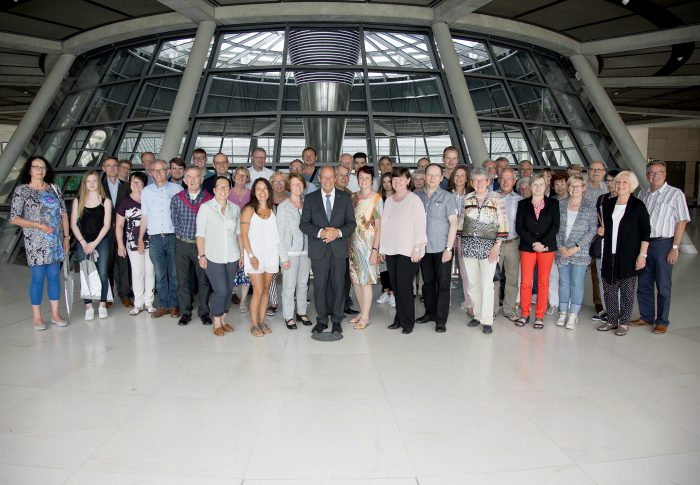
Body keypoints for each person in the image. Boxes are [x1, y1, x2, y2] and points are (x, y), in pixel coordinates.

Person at [10, 156, 70, 330]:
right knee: (37, 278)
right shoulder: (22, 191)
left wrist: (66, 237)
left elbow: (63, 214)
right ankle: (36, 317)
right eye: (36, 167)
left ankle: (55, 314)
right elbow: (14, 218)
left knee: (53, 277)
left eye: (43, 167)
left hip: (55, 241)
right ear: (29, 170)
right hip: (35, 242)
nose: (40, 170)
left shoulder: (54, 189)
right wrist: (38, 226)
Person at [633, 161, 691, 334]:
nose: (655, 176)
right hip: (644, 244)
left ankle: (662, 321)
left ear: (665, 175)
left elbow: (682, 221)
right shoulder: (643, 194)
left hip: (664, 243)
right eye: (651, 173)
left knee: (663, 284)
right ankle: (646, 316)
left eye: (659, 173)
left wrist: (675, 247)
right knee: (643, 282)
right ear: (646, 175)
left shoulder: (675, 194)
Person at [300, 166, 357, 334]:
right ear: (319, 179)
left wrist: (337, 233)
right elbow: (304, 224)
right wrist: (322, 232)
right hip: (319, 250)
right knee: (320, 286)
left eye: (330, 177)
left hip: (339, 249)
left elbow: (351, 224)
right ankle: (322, 320)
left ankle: (337, 320)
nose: (327, 181)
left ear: (335, 178)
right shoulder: (310, 199)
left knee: (339, 285)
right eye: (324, 177)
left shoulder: (345, 198)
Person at [597, 171, 650, 336]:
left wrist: (642, 255)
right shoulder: (608, 204)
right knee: (609, 288)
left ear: (632, 186)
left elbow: (645, 232)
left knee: (627, 291)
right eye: (618, 182)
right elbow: (607, 227)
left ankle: (624, 322)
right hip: (609, 253)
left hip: (629, 254)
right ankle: (612, 320)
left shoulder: (638, 205)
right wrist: (602, 231)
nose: (620, 185)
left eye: (624, 182)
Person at [459, 168, 508, 334]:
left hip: (489, 248)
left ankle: (487, 320)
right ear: (471, 182)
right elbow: (461, 222)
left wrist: (497, 245)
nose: (479, 183)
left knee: (487, 284)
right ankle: (478, 315)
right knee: (473, 284)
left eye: (482, 180)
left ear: (488, 182)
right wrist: (460, 243)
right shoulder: (467, 198)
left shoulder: (497, 199)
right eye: (475, 180)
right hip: (468, 246)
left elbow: (503, 224)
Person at [380, 167, 426, 334]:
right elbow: (385, 226)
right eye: (394, 179)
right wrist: (383, 248)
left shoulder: (414, 200)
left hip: (409, 251)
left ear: (408, 181)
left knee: (405, 287)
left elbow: (420, 226)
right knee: (396, 287)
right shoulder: (389, 200)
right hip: (392, 250)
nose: (397, 182)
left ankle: (408, 322)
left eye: (401, 179)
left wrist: (417, 248)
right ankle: (399, 318)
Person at [196, 176, 243, 336]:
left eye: (226, 187)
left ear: (230, 191)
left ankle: (224, 319)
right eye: (220, 187)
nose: (223, 190)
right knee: (220, 289)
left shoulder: (235, 208)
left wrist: (242, 254)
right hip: (212, 256)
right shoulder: (205, 208)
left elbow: (238, 234)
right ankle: (216, 322)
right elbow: (200, 235)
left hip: (232, 255)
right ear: (214, 190)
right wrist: (201, 255)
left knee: (229, 289)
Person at [138, 159, 184, 318]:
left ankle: (175, 305)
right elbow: (144, 216)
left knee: (174, 273)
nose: (158, 173)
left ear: (168, 171)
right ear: (151, 173)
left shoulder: (178, 189)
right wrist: (140, 238)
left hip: (173, 237)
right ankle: (163, 305)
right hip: (155, 238)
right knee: (160, 274)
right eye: (154, 170)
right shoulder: (146, 191)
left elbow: (182, 214)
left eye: (161, 170)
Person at [416, 164, 458, 333]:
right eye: (429, 174)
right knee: (427, 284)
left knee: (442, 285)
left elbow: (454, 223)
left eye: (436, 175)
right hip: (423, 248)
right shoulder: (417, 196)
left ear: (442, 178)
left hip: (442, 248)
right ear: (425, 176)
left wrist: (449, 248)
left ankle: (440, 320)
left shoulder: (448, 197)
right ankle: (430, 313)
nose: (432, 178)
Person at [514, 174, 559, 329]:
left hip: (547, 248)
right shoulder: (523, 204)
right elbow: (519, 227)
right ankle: (525, 314)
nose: (538, 187)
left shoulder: (553, 203)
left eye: (541, 184)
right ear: (530, 186)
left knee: (543, 282)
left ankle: (539, 316)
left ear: (546, 186)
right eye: (535, 184)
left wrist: (542, 243)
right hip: (528, 247)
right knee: (526, 282)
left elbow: (555, 226)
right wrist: (534, 243)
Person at [171, 166, 213, 326]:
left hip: (202, 247)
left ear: (201, 179)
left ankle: (204, 312)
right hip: (182, 244)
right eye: (189, 177)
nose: (193, 180)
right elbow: (175, 220)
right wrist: (184, 235)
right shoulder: (177, 198)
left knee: (203, 281)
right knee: (183, 281)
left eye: (196, 177)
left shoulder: (209, 199)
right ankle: (186, 313)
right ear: (185, 180)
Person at [554, 175, 597, 329]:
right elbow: (555, 228)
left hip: (580, 251)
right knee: (564, 283)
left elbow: (592, 230)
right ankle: (563, 312)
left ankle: (573, 315)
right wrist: (560, 246)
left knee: (577, 284)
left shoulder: (590, 206)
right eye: (572, 186)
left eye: (578, 186)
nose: (575, 189)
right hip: (562, 250)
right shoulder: (560, 205)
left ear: (584, 188)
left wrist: (576, 247)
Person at [71, 171, 113, 320]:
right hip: (83, 242)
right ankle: (88, 306)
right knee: (86, 274)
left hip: (100, 241)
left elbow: (107, 225)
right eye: (88, 181)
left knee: (102, 273)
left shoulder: (105, 201)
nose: (92, 184)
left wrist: (94, 243)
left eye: (94, 181)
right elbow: (73, 225)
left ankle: (102, 305)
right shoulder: (78, 200)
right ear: (84, 183)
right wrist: (83, 242)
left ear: (98, 182)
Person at [241, 178, 280, 337]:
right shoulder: (249, 209)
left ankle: (262, 321)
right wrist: (250, 255)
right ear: (254, 192)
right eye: (258, 189)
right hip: (254, 255)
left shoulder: (273, 209)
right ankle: (254, 324)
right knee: (257, 290)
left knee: (265, 289)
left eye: (265, 188)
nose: (262, 192)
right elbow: (243, 236)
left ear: (269, 191)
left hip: (271, 254)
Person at [116, 172, 156, 315]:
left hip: (151, 242)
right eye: (132, 181)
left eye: (138, 182)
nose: (135, 184)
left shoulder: (149, 200)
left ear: (144, 184)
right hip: (132, 243)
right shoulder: (125, 202)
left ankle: (148, 302)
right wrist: (120, 244)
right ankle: (138, 303)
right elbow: (119, 225)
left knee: (150, 272)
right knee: (137, 272)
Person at [349, 166, 383, 330]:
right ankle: (362, 312)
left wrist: (375, 250)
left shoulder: (377, 199)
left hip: (368, 245)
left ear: (372, 180)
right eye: (360, 178)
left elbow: (379, 228)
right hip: (353, 244)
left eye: (367, 178)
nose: (363, 181)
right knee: (356, 280)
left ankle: (366, 316)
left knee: (365, 281)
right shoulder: (354, 197)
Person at [277, 173, 312, 329]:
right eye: (294, 184)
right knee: (289, 286)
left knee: (303, 284)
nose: (297, 187)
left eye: (300, 184)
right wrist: (283, 257)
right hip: (290, 253)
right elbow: (280, 233)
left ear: (304, 186)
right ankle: (289, 316)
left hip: (307, 252)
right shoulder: (283, 206)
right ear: (288, 187)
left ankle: (302, 312)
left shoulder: (308, 204)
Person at [101, 156, 132, 308]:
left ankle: (125, 294)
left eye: (115, 166)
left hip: (123, 230)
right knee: (106, 264)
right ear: (104, 168)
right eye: (109, 166)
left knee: (123, 263)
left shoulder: (127, 187)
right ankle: (107, 296)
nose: (112, 168)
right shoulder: (98, 186)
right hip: (104, 232)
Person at [493, 167, 522, 321]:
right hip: (494, 245)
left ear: (514, 181)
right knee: (493, 278)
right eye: (503, 178)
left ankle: (509, 309)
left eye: (509, 178)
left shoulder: (520, 200)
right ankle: (491, 309)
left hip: (513, 243)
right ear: (498, 179)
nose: (505, 181)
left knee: (512, 279)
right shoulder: (490, 197)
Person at [591, 169, 620, 324]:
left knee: (617, 278)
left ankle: (619, 311)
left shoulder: (627, 200)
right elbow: (598, 220)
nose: (610, 183)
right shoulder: (602, 199)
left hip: (619, 245)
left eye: (613, 180)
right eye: (608, 180)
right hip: (603, 243)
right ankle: (607, 310)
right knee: (603, 277)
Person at [584, 161, 608, 319]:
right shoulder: (582, 187)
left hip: (599, 236)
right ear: (588, 171)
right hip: (582, 234)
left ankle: (599, 304)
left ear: (604, 172)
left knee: (597, 271)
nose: (596, 172)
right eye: (593, 169)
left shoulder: (608, 188)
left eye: (599, 170)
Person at [448, 165, 473, 315]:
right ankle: (445, 300)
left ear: (467, 178)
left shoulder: (471, 196)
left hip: (464, 239)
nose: (459, 178)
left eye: (462, 175)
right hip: (448, 239)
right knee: (444, 272)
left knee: (466, 273)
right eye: (456, 175)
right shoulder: (446, 195)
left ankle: (470, 304)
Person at [228, 166, 252, 310]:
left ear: (247, 178)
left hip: (247, 235)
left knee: (245, 269)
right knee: (230, 268)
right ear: (234, 176)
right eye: (239, 175)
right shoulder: (226, 192)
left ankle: (243, 300)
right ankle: (230, 295)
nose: (241, 178)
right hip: (229, 236)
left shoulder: (251, 194)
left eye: (244, 175)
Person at [376, 171, 396, 307]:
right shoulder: (378, 199)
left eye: (389, 181)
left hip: (395, 238)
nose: (387, 184)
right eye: (384, 182)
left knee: (393, 267)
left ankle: (394, 294)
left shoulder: (399, 198)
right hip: (381, 236)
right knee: (383, 266)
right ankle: (386, 291)